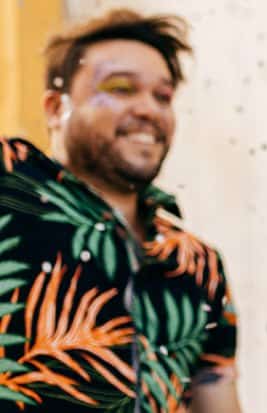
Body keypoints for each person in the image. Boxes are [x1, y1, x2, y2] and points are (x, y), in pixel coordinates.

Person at [0, 9, 240, 413]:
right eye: (121, 88)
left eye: (162, 95)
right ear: (56, 108)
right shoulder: (10, 188)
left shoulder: (198, 264)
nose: (149, 108)